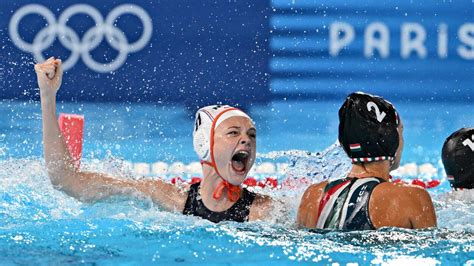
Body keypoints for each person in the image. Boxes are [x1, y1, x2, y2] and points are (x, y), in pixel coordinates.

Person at [34, 57, 273, 223]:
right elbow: (67, 181)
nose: (246, 140)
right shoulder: (170, 199)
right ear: (204, 144)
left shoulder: (264, 212)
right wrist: (48, 96)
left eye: (251, 135)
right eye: (233, 133)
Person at [297, 92, 437, 230]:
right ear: (391, 139)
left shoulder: (313, 195)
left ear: (344, 143)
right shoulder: (411, 197)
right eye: (401, 131)